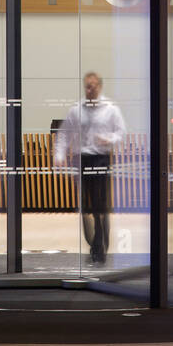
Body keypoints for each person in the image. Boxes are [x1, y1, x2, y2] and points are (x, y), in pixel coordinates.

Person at [55, 71, 125, 266]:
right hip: (81, 159)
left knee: (100, 206)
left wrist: (108, 139)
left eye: (93, 86)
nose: (90, 89)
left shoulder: (110, 109)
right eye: (87, 86)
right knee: (86, 206)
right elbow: (64, 134)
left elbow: (120, 132)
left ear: (100, 87)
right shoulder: (76, 110)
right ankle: (95, 244)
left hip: (101, 158)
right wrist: (59, 156)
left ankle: (100, 246)